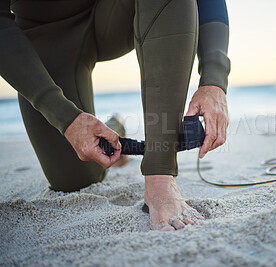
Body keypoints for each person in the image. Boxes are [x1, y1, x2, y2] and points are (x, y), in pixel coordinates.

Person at [0, 0, 230, 231]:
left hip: (113, 13)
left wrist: (214, 80)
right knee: (74, 179)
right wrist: (66, 118)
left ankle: (160, 177)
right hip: (46, 33)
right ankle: (114, 128)